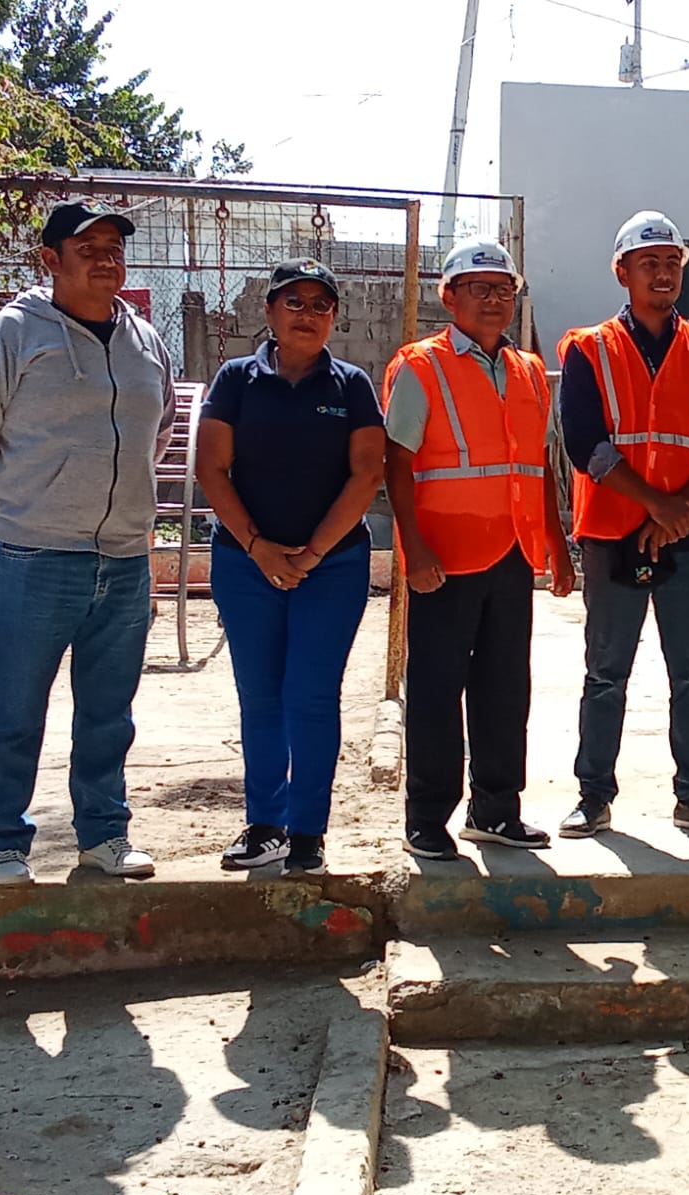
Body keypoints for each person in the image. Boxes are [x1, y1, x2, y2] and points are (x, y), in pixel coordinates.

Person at [0, 199, 176, 885]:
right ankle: (2, 841)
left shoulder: (144, 340)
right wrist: (23, 496)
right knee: (18, 706)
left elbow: (158, 429)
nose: (106, 259)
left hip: (125, 557)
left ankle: (104, 834)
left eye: (114, 248)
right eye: (87, 248)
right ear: (50, 260)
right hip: (37, 555)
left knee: (109, 712)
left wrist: (124, 499)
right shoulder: (12, 333)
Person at [382, 237, 574, 862]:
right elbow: (396, 463)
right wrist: (413, 549)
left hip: (513, 552)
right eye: (479, 288)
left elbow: (537, 463)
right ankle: (426, 817)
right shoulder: (421, 366)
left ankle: (495, 810)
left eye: (504, 290)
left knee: (505, 689)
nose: (494, 300)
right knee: (437, 690)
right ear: (450, 297)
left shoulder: (528, 371)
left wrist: (557, 543)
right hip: (445, 556)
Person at [556, 211, 689, 839]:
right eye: (648, 263)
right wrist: (656, 506)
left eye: (671, 263)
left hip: (686, 536)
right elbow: (585, 443)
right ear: (623, 272)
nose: (662, 274)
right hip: (613, 532)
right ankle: (593, 795)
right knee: (606, 672)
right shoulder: (588, 349)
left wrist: (676, 508)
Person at [196, 259, 385, 877]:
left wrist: (311, 553)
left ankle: (307, 832)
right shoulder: (235, 379)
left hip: (331, 568)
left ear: (334, 318)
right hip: (245, 565)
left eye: (321, 304)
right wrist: (259, 548)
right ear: (270, 312)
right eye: (295, 302)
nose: (308, 314)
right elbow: (211, 469)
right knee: (261, 696)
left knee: (311, 695)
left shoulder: (352, 386)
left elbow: (368, 474)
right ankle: (265, 826)